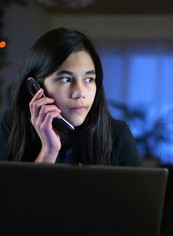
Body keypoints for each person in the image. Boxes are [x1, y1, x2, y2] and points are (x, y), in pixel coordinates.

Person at [0, 27, 140, 166]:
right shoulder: (11, 126)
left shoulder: (118, 136)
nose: (80, 92)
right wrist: (49, 151)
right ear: (35, 87)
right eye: (66, 79)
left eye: (89, 79)